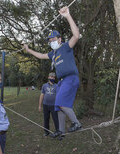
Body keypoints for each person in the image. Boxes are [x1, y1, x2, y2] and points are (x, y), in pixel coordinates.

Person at [24, 6, 82, 140]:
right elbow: (40, 55)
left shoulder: (66, 47)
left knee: (61, 102)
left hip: (70, 78)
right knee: (58, 106)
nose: (52, 42)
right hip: (61, 81)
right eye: (50, 41)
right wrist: (28, 50)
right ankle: (60, 131)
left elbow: (76, 35)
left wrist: (67, 16)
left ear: (59, 39)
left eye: (53, 40)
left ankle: (76, 123)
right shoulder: (53, 53)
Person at [39, 72, 59, 137]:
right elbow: (42, 95)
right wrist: (40, 105)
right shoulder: (44, 85)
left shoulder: (57, 86)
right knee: (46, 118)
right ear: (48, 77)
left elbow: (59, 96)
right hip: (45, 105)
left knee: (55, 118)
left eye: (53, 77)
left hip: (53, 105)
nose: (52, 78)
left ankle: (57, 131)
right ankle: (46, 132)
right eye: (51, 76)